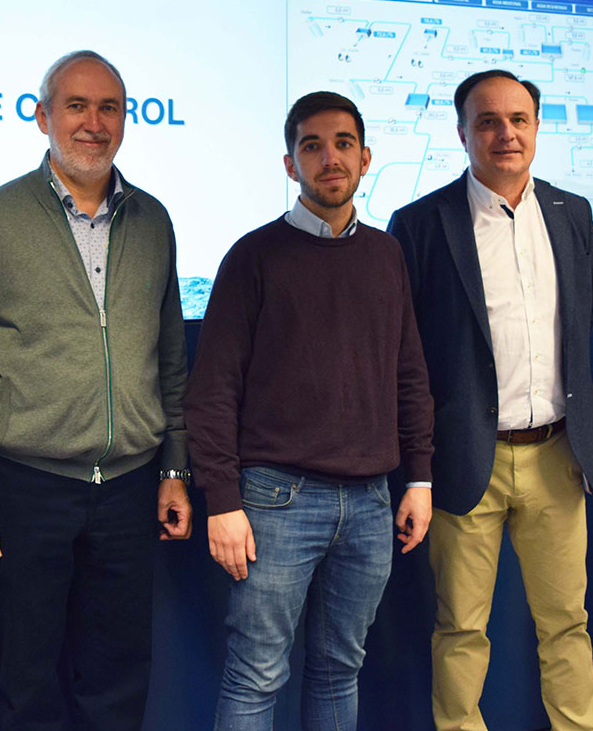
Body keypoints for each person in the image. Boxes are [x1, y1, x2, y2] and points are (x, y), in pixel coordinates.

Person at [0, 50, 192, 731]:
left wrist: (174, 468)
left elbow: (169, 363)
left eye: (109, 108)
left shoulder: (153, 222)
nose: (93, 123)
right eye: (76, 106)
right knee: (24, 683)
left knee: (118, 680)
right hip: (23, 488)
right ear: (43, 117)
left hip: (129, 490)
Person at [185, 91, 435, 730]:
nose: (330, 158)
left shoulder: (385, 255)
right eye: (313, 146)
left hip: (373, 504)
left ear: (366, 156)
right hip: (274, 502)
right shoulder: (253, 257)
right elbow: (212, 390)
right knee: (256, 676)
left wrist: (420, 478)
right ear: (291, 164)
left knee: (340, 670)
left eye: (343, 144)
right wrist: (222, 500)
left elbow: (409, 374)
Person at [388, 68, 593, 731]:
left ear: (537, 128)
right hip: (465, 461)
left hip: (557, 456)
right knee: (461, 628)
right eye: (487, 121)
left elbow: (583, 320)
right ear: (462, 132)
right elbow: (408, 355)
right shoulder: (421, 224)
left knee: (567, 622)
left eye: (518, 120)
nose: (505, 134)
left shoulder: (573, 215)